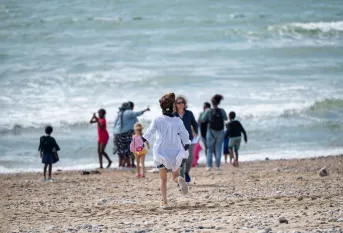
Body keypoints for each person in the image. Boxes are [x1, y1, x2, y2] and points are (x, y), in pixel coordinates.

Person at [143, 93, 190, 208]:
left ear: (162, 107)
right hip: (175, 151)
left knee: (163, 179)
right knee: (175, 175)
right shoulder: (178, 121)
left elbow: (149, 132)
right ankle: (179, 179)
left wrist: (141, 141)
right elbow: (184, 134)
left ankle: (164, 202)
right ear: (173, 107)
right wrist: (187, 145)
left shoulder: (158, 119)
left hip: (161, 152)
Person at [114, 103, 150, 168]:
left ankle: (121, 164)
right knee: (130, 148)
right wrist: (145, 110)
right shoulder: (129, 112)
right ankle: (130, 164)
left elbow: (115, 124)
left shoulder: (119, 113)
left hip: (117, 133)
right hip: (126, 133)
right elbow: (138, 114)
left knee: (121, 150)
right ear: (131, 107)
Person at [174, 96, 198, 184]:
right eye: (179, 103)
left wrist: (196, 131)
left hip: (189, 140)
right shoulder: (173, 115)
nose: (181, 104)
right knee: (180, 160)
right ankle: (181, 179)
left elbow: (195, 124)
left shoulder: (189, 113)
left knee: (189, 159)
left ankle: (186, 172)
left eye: (182, 102)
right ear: (175, 105)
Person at [201, 94, 228, 171]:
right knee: (218, 149)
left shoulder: (209, 111)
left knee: (209, 149)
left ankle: (209, 166)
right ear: (219, 102)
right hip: (220, 132)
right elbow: (226, 118)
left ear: (212, 103)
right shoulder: (221, 110)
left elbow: (202, 119)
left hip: (211, 132)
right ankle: (217, 166)